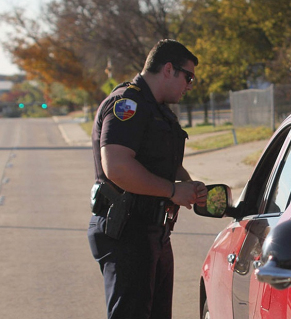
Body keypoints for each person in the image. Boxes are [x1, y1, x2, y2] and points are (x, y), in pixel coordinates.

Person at [87, 39, 208, 319]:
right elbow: (116, 166)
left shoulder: (158, 109)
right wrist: (171, 190)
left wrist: (188, 186)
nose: (189, 85)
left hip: (153, 231)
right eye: (188, 76)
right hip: (127, 231)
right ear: (168, 69)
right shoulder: (127, 104)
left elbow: (165, 162)